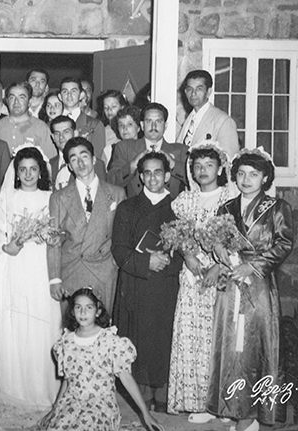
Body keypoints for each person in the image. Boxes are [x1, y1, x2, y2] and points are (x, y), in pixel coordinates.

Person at [206, 149, 294, 431]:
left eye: (253, 174)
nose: (246, 179)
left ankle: (254, 414)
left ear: (265, 177)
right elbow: (217, 240)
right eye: (241, 174)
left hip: (256, 286)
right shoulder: (226, 208)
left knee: (254, 346)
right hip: (229, 284)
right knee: (229, 345)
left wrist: (252, 266)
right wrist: (219, 249)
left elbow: (283, 244)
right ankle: (232, 408)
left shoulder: (277, 207)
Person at [0, 146, 61, 408]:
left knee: (43, 324)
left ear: (41, 171)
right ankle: (15, 389)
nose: (28, 174)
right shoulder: (9, 198)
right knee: (16, 325)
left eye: (33, 169)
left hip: (42, 267)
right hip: (15, 266)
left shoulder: (51, 197)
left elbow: (59, 233)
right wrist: (8, 247)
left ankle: (43, 389)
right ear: (16, 172)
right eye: (23, 169)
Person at [167, 141, 234, 421]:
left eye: (209, 165)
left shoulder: (230, 198)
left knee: (221, 338)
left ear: (220, 168)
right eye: (197, 166)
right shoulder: (184, 200)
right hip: (193, 274)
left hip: (222, 275)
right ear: (191, 171)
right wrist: (188, 255)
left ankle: (224, 404)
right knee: (193, 338)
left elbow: (236, 241)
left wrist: (219, 266)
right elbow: (177, 235)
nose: (203, 171)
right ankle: (198, 403)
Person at [112, 151, 183, 413]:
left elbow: (187, 250)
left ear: (167, 175)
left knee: (163, 339)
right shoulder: (127, 207)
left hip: (166, 286)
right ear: (141, 177)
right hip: (137, 284)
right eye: (147, 173)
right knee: (139, 339)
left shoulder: (179, 207)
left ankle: (163, 396)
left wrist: (167, 262)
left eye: (158, 172)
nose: (153, 177)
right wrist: (145, 263)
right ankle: (141, 399)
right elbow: (119, 249)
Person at [39, 288, 164, 431]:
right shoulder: (67, 342)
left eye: (89, 307)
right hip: (72, 402)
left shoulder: (110, 341)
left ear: (97, 311)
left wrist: (145, 414)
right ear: (72, 312)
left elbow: (127, 379)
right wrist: (56, 408)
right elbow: (67, 381)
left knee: (84, 425)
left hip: (100, 405)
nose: (83, 312)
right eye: (78, 307)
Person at [47, 137, 125, 314]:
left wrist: (113, 267)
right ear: (68, 166)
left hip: (104, 272)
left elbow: (122, 238)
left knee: (102, 329)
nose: (80, 163)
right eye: (73, 159)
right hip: (72, 270)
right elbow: (53, 239)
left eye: (84, 156)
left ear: (94, 159)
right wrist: (55, 279)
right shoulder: (59, 197)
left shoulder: (116, 193)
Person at [108, 102, 188, 199]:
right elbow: (111, 182)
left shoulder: (180, 150)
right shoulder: (125, 148)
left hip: (170, 210)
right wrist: (132, 166)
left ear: (165, 126)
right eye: (149, 121)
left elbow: (196, 181)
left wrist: (174, 164)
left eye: (158, 121)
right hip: (136, 210)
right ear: (142, 125)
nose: (153, 126)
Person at [177, 69, 240, 158]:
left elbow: (229, 161)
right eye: (189, 89)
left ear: (208, 92)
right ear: (185, 92)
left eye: (199, 89)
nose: (193, 94)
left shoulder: (223, 121)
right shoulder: (189, 120)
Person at [0, 81, 56, 159]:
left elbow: (51, 161)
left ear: (29, 102)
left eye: (22, 97)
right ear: (7, 101)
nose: (16, 102)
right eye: (12, 97)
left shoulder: (41, 128)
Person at [49, 115, 106, 191]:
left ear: (75, 133)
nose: (61, 137)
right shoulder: (49, 164)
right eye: (57, 133)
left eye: (66, 132)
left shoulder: (94, 163)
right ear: (53, 137)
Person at [59, 77, 106, 161]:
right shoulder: (50, 125)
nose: (69, 95)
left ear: (81, 95)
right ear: (60, 96)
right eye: (65, 91)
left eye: (73, 91)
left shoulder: (95, 125)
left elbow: (97, 158)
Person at [98, 90, 128, 166]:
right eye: (106, 107)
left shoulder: (130, 128)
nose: (109, 110)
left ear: (122, 107)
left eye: (114, 106)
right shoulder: (101, 130)